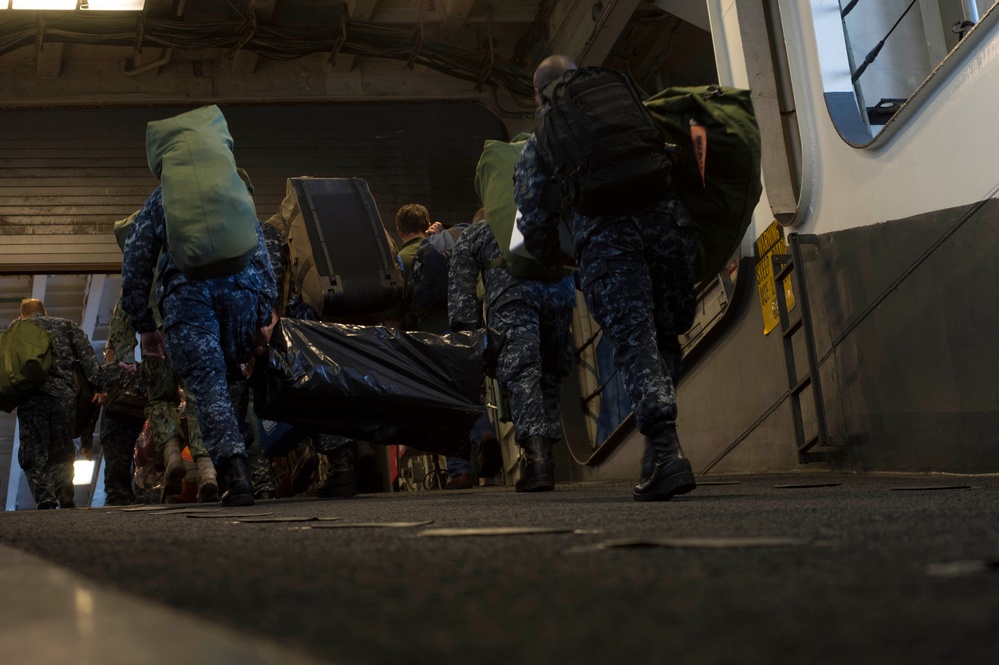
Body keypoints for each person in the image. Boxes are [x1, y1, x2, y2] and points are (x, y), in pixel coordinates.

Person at [514, 54, 699, 502]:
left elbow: (534, 216)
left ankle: (665, 450)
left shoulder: (542, 135)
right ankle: (659, 454)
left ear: (538, 94)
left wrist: (560, 256)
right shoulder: (631, 102)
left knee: (635, 339)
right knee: (664, 334)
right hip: (667, 226)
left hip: (608, 239)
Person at [121, 185, 278, 507]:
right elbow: (259, 254)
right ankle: (241, 467)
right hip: (240, 292)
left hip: (188, 293)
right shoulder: (234, 193)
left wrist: (144, 324)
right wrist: (263, 313)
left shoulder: (163, 197)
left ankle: (234, 472)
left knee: (207, 385)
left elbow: (136, 263)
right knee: (233, 376)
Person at [448, 216, 575, 493]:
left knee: (523, 373)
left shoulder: (478, 232)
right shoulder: (543, 220)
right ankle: (548, 457)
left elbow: (461, 294)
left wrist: (469, 337)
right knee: (552, 372)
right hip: (559, 292)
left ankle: (536, 458)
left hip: (512, 297)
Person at [260, 220, 358, 498]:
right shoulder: (318, 230)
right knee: (329, 388)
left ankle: (316, 455)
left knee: (302, 391)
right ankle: (342, 463)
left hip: (297, 324)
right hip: (330, 320)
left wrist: (265, 324)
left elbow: (271, 280)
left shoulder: (270, 232)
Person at [15, 298, 107, 509]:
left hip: (31, 399)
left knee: (33, 452)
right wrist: (101, 388)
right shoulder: (67, 327)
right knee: (63, 449)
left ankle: (45, 497)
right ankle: (64, 488)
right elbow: (89, 362)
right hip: (63, 398)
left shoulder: (17, 329)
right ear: (45, 311)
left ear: (22, 315)